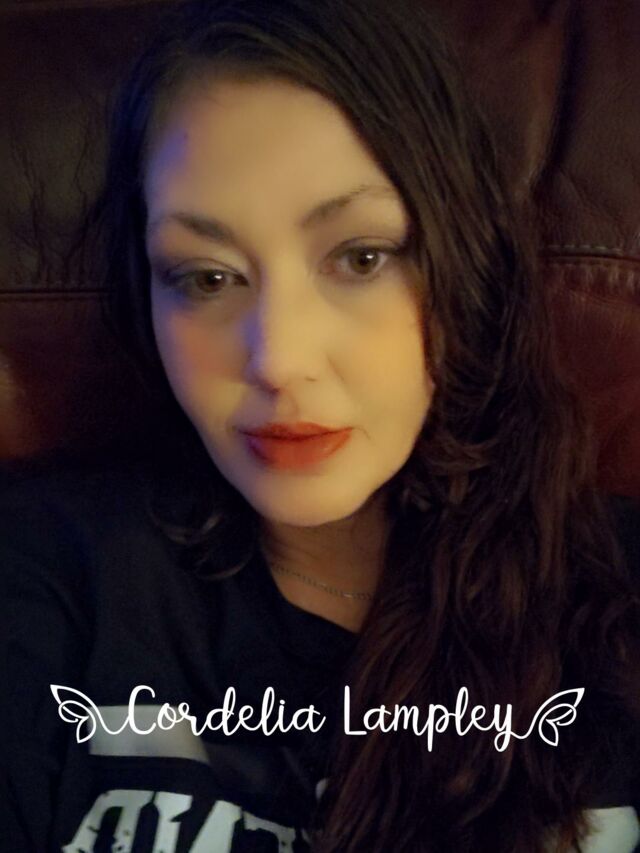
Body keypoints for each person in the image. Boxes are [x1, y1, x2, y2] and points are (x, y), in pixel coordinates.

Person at [2, 0, 640, 850]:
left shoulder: (620, 592)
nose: (278, 359)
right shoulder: (47, 567)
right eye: (206, 277)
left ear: (465, 258)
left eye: (361, 257)